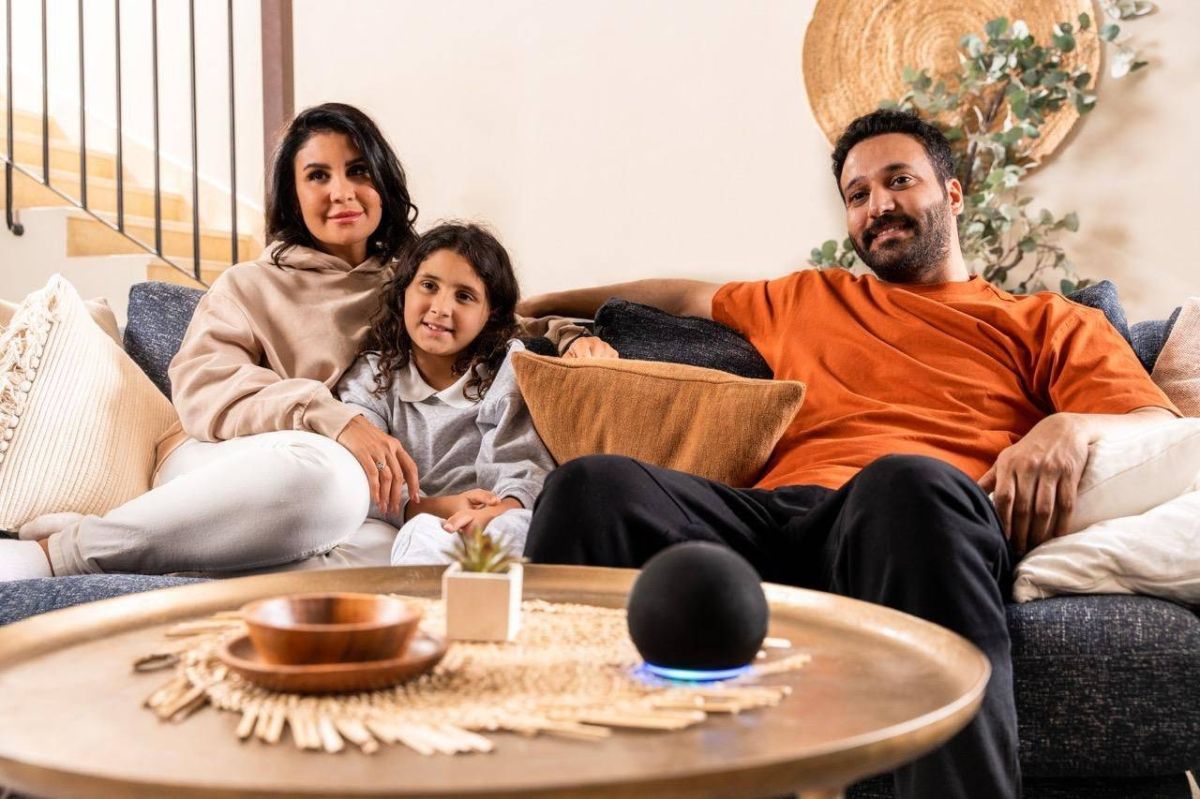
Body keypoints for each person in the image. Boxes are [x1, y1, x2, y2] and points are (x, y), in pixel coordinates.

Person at [516, 109, 1179, 799]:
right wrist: (541, 303)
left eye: (899, 180)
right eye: (858, 194)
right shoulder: (812, 296)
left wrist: (1067, 425)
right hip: (779, 520)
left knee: (906, 482)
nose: (878, 204)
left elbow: (1158, 430)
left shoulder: (1048, 320)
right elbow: (684, 295)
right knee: (591, 488)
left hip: (915, 523)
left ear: (952, 194)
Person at [0, 102, 606, 581]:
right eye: (318, 176)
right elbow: (202, 389)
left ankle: (175, 559)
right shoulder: (251, 284)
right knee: (332, 479)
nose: (341, 192)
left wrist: (573, 337)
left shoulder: (410, 280)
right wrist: (333, 419)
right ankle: (64, 552)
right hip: (228, 462)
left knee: (398, 554)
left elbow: (501, 319)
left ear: (383, 183)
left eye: (358, 171)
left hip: (350, 501)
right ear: (294, 195)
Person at [337, 223, 553, 564]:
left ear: (491, 313)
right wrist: (439, 507)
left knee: (520, 526)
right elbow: (365, 475)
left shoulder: (509, 369)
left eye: (464, 296)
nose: (440, 308)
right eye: (429, 286)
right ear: (404, 291)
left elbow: (522, 464)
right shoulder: (373, 377)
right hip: (419, 517)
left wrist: (499, 510)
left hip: (494, 514)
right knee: (418, 533)